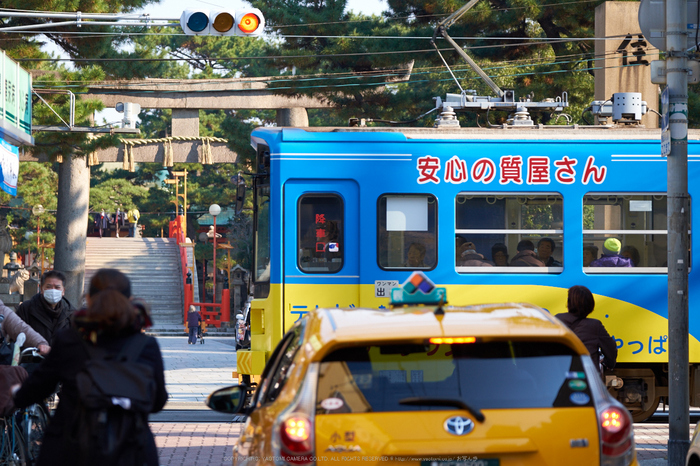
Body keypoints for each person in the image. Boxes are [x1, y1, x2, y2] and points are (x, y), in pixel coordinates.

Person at [12, 268, 167, 466]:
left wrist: (17, 394)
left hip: (72, 447)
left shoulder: (70, 340)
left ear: (89, 299)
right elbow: (158, 401)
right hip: (132, 449)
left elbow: (39, 386)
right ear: (129, 300)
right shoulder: (146, 346)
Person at [555, 285, 617, 374]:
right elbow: (610, 348)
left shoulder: (557, 320)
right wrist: (608, 363)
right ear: (590, 305)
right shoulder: (595, 325)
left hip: (561, 374)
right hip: (586, 377)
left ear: (569, 303)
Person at [16, 270, 75, 346]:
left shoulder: (71, 313)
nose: (53, 290)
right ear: (41, 289)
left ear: (63, 291)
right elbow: (16, 336)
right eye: (49, 287)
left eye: (57, 287)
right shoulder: (26, 309)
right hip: (34, 355)